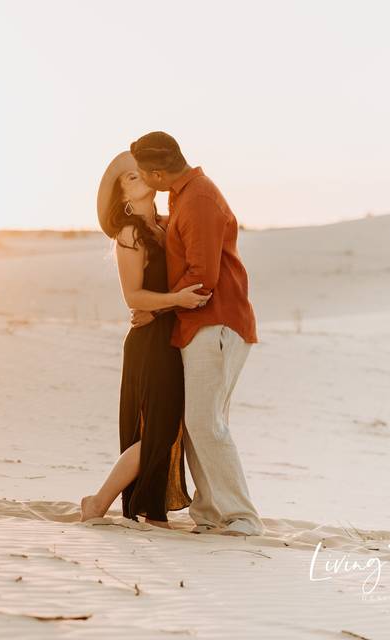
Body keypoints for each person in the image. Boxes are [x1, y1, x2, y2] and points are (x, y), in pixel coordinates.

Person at [128, 131, 265, 537]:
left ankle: (242, 517)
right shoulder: (183, 196)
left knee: (206, 423)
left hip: (216, 321)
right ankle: (209, 514)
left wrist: (158, 307)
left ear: (156, 172)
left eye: (140, 173)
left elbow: (203, 277)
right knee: (198, 423)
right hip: (200, 325)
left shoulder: (199, 198)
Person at [79, 150, 210, 528]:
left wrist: (166, 307)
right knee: (158, 431)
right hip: (148, 342)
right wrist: (175, 301)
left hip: (170, 336)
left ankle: (149, 511)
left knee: (166, 430)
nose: (140, 180)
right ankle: (100, 502)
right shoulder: (129, 234)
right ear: (121, 197)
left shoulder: (166, 226)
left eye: (141, 174)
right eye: (130, 178)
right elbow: (132, 298)